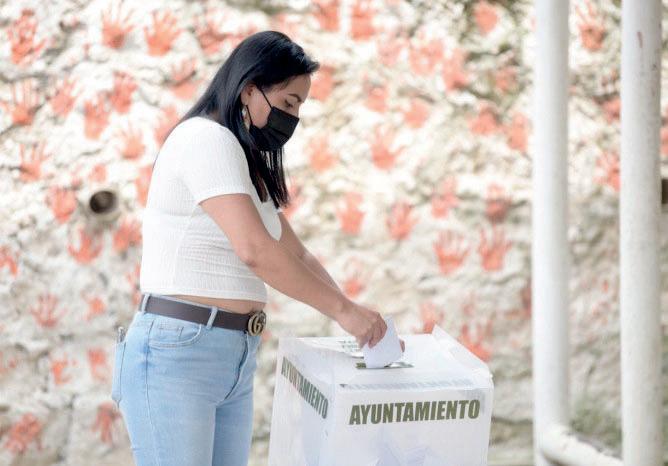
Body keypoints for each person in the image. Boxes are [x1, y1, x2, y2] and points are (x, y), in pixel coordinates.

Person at [110, 30, 404, 466]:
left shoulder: (245, 165)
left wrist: (355, 314)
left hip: (233, 353)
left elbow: (297, 254)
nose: (293, 118)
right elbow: (255, 250)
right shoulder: (204, 139)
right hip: (179, 352)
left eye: (299, 107)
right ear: (249, 89)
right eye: (288, 102)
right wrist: (344, 313)